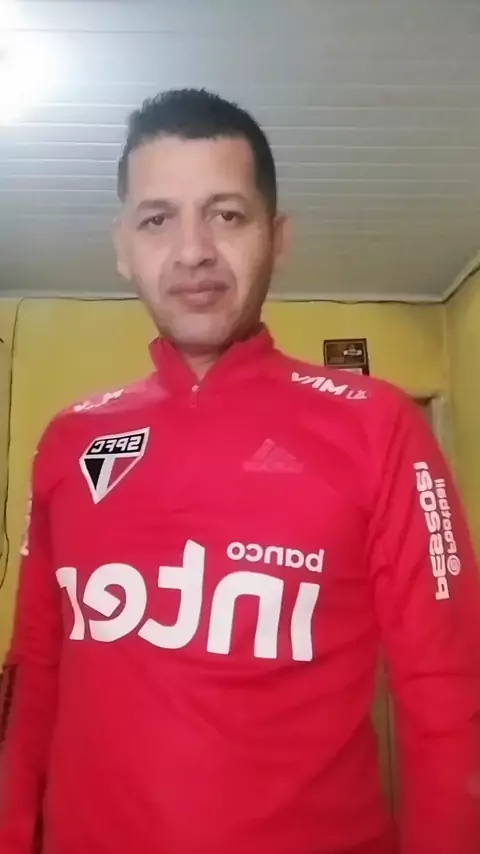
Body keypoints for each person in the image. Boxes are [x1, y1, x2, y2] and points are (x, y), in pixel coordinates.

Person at [0, 88, 479, 854]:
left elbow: (449, 695)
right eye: (157, 219)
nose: (192, 250)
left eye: (226, 214)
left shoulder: (376, 425)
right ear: (122, 245)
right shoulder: (71, 438)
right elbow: (36, 671)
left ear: (276, 237)